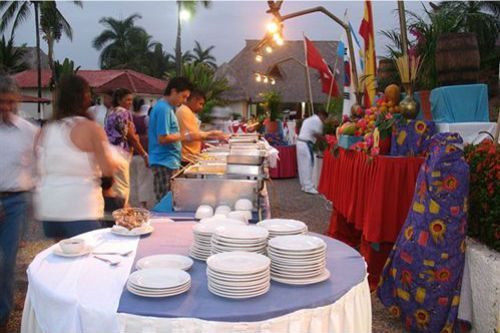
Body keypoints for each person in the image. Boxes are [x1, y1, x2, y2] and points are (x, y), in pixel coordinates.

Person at [35, 74, 117, 239]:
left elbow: (38, 168)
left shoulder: (46, 130)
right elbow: (107, 171)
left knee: (63, 257)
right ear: (84, 97)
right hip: (81, 208)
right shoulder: (90, 128)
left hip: (50, 210)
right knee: (86, 260)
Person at [0, 75, 38, 332]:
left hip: (15, 202)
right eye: (0, 102)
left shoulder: (28, 131)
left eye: (10, 102)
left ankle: (2, 313)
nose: (5, 107)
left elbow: (37, 166)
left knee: (6, 260)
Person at [148, 77, 193, 203]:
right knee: (165, 202)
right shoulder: (164, 109)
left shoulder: (168, 108)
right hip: (164, 162)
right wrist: (184, 136)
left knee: (171, 200)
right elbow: (163, 138)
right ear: (174, 91)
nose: (184, 101)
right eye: (183, 96)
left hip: (169, 161)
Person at [104, 88, 148, 205]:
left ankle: (119, 211)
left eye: (131, 100)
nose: (129, 102)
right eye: (127, 100)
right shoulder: (123, 113)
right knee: (123, 187)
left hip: (110, 152)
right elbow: (130, 136)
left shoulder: (110, 112)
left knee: (116, 186)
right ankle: (121, 214)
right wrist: (144, 154)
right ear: (119, 100)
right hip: (121, 153)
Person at [176, 90, 224, 164]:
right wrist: (211, 134)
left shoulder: (188, 112)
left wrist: (213, 136)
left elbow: (195, 132)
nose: (201, 107)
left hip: (192, 156)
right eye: (200, 104)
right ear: (194, 100)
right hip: (186, 157)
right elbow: (191, 135)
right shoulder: (184, 111)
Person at [129, 97, 154, 208]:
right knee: (144, 179)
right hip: (144, 151)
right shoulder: (146, 119)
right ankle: (142, 204)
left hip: (132, 151)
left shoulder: (129, 118)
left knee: (133, 179)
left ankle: (133, 203)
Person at [296, 110, 327, 194]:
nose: (324, 121)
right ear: (322, 115)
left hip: (300, 142)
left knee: (302, 165)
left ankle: (304, 185)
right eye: (324, 119)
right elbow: (316, 135)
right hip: (305, 143)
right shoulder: (318, 121)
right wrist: (326, 139)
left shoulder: (309, 119)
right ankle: (309, 187)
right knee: (308, 165)